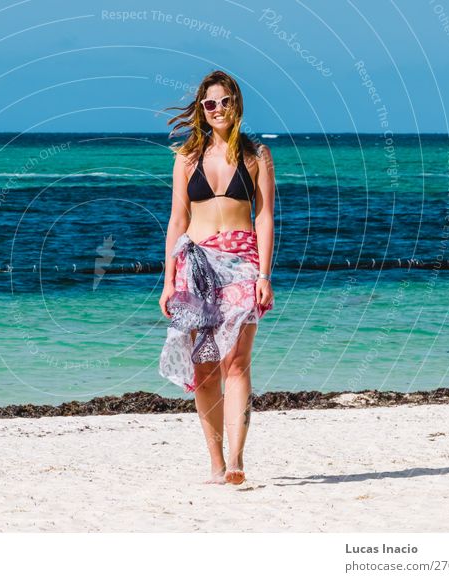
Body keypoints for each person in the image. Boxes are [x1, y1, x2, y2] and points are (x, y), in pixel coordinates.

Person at [158, 70, 275, 485]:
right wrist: (169, 279)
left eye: (225, 101)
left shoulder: (256, 155)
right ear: (202, 111)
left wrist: (264, 275)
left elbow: (263, 217)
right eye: (210, 103)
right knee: (205, 369)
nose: (218, 109)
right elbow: (177, 220)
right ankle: (216, 462)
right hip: (197, 268)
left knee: (237, 362)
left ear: (236, 104)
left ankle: (238, 461)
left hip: (243, 264)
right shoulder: (186, 158)